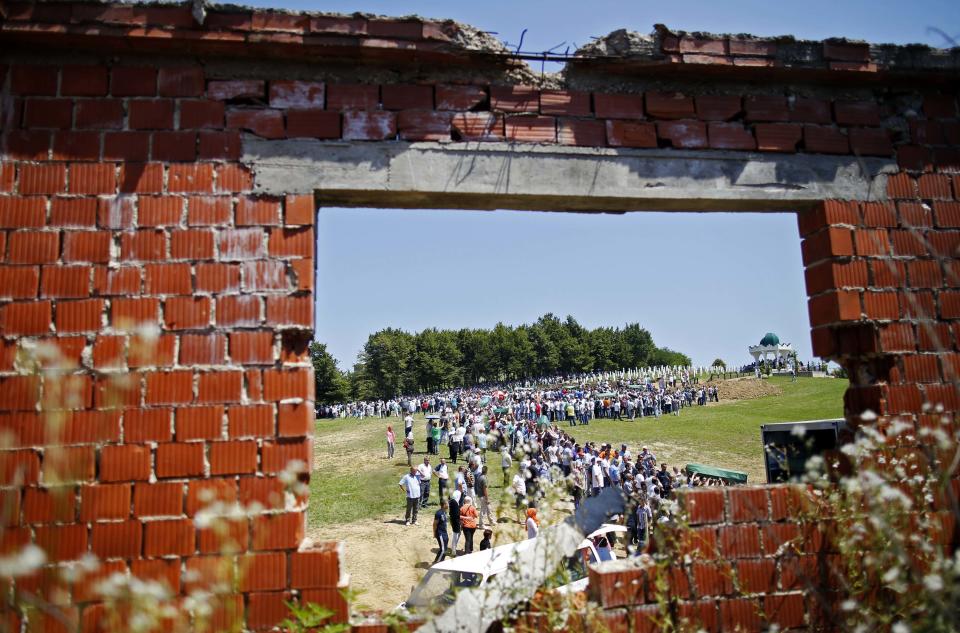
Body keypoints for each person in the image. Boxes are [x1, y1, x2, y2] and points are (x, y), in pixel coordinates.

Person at [449, 490, 462, 555]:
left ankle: (454, 548)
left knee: (457, 534)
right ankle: (453, 551)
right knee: (455, 536)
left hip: (453, 520)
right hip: (456, 522)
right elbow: (457, 514)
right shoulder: (454, 503)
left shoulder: (452, 501)